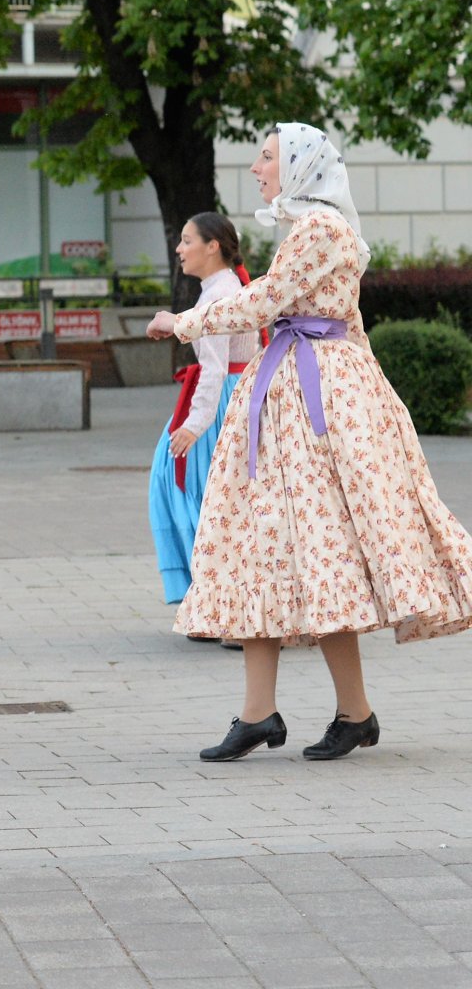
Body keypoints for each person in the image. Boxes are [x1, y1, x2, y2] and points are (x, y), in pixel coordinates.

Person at [149, 122, 472, 763]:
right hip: (292, 396)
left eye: (266, 157)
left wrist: (182, 321)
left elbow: (262, 301)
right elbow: (343, 322)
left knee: (315, 552)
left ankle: (336, 712)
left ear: (298, 166)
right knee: (270, 547)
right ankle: (269, 712)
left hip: (311, 402)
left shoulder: (320, 229)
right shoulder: (308, 229)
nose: (256, 168)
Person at [148, 213, 259, 638]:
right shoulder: (224, 287)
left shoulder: (220, 294)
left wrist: (195, 425)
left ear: (212, 246)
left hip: (221, 403)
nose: (179, 249)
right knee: (209, 498)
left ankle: (223, 607)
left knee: (195, 496)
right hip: (233, 397)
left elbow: (212, 369)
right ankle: (216, 605)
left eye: (186, 239)